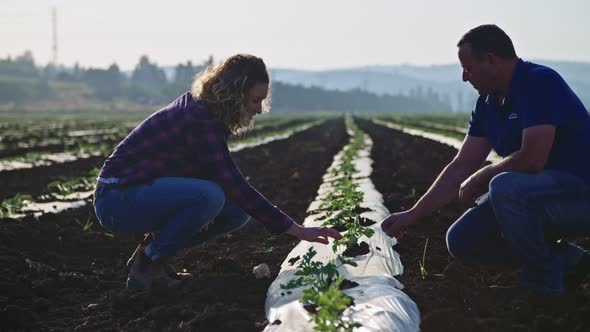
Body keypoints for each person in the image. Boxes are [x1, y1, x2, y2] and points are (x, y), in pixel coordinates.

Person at [93, 54, 342, 290]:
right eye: (256, 100)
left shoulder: (208, 114)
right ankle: (148, 264)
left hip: (137, 193)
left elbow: (231, 186)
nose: (259, 109)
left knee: (236, 213)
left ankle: (153, 255)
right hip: (116, 200)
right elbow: (233, 183)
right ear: (236, 93)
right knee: (209, 196)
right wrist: (296, 229)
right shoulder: (200, 120)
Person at [381, 24, 590, 295]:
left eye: (467, 68)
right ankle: (572, 263)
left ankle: (542, 284)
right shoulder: (488, 104)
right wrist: (412, 214)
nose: (465, 78)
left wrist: (481, 176)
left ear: (490, 60)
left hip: (578, 194)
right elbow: (461, 166)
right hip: (537, 198)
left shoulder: (539, 82)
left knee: (504, 186)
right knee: (462, 239)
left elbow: (533, 159)